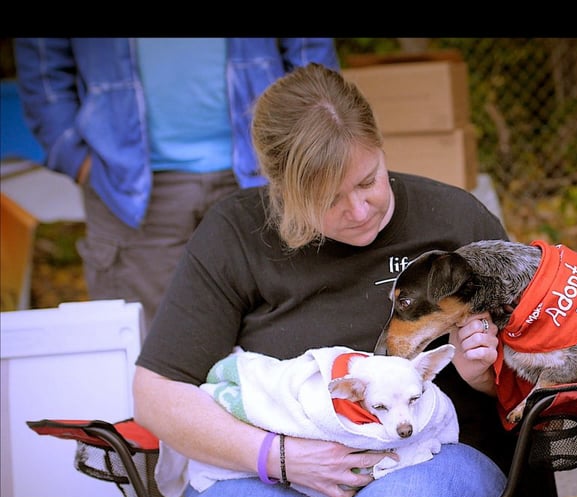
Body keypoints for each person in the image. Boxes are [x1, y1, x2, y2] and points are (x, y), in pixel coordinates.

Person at [132, 62, 557, 497]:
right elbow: (157, 394)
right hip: (275, 466)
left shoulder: (454, 222)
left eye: (367, 180)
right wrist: (278, 457)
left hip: (432, 456)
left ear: (380, 145)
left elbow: (545, 380)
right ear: (280, 191)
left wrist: (485, 377)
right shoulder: (236, 233)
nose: (359, 210)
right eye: (329, 199)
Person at [13, 38, 340, 328]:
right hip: (126, 188)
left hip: (264, 171)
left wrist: (306, 143)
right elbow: (42, 61)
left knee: (283, 340)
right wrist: (74, 156)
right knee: (143, 351)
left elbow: (309, 48)